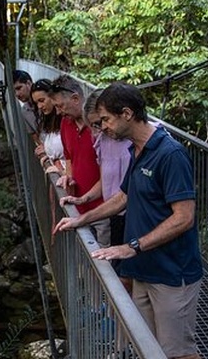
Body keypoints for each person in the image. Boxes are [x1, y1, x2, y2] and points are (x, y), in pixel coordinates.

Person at [52, 82, 208, 359]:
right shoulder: (137, 149)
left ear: (127, 114)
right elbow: (122, 196)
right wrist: (82, 218)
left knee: (182, 353)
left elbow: (184, 216)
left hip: (173, 273)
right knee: (153, 350)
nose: (102, 128)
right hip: (144, 270)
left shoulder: (169, 154)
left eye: (107, 120)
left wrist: (132, 246)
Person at [60, 89, 132, 249]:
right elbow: (105, 182)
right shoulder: (103, 141)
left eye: (103, 121)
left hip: (134, 216)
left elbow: (125, 195)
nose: (101, 129)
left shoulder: (137, 143)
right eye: (95, 125)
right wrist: (83, 198)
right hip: (115, 215)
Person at [48, 75, 107, 243]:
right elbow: (69, 156)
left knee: (102, 260)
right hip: (78, 208)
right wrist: (68, 176)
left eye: (60, 106)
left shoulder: (101, 128)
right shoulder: (65, 123)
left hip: (103, 209)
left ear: (75, 99)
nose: (58, 112)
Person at [30, 79, 64, 175]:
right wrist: (49, 154)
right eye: (36, 103)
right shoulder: (48, 122)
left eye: (42, 100)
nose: (39, 106)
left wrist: (62, 170)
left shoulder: (67, 120)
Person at [12, 70, 38, 136]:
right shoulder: (24, 111)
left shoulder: (47, 100)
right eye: (14, 91)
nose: (17, 94)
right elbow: (34, 135)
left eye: (19, 88)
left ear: (29, 84)